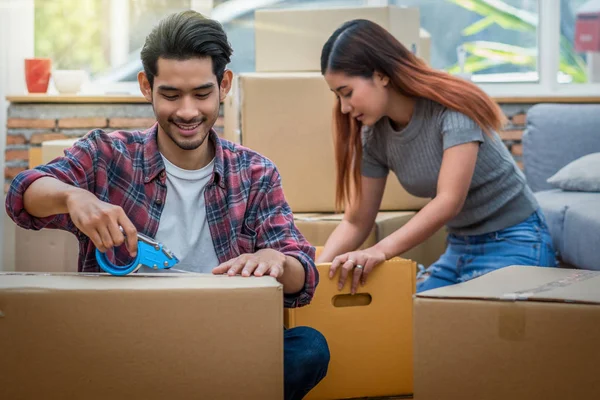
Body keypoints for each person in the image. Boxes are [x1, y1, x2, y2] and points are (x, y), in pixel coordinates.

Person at [5, 11, 328, 400]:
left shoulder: (255, 172)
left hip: (224, 341)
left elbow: (304, 278)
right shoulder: (107, 154)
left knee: (308, 347)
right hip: (125, 342)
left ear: (224, 85)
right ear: (147, 86)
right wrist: (74, 196)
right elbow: (21, 195)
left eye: (202, 94)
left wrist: (277, 259)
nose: (188, 112)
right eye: (171, 95)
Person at [316, 19, 557, 294]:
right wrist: (313, 276)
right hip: (459, 247)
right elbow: (356, 221)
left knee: (473, 328)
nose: (344, 108)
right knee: (412, 322)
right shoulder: (373, 134)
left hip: (516, 239)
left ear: (381, 75)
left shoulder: (451, 108)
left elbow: (448, 201)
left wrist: (378, 251)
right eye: (338, 97)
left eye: (347, 93)